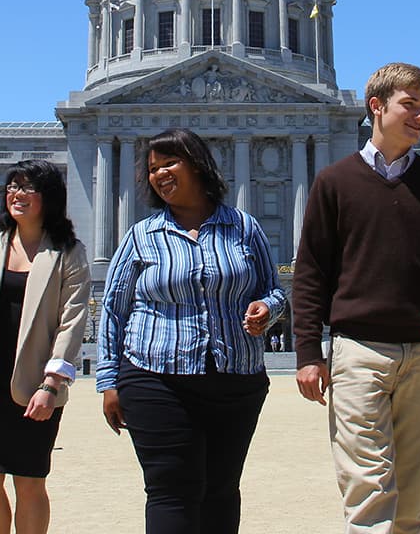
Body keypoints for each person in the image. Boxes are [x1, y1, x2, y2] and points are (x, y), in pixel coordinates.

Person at [292, 62, 420, 534]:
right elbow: (311, 272)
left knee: (413, 499)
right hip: (358, 350)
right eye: (409, 106)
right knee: (368, 491)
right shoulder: (334, 181)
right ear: (376, 107)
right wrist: (309, 354)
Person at [97, 128, 287, 534]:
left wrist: (265, 309)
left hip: (234, 378)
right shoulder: (141, 235)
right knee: (171, 489)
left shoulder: (244, 227)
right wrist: (109, 381)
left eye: (169, 163)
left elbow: (274, 290)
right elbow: (114, 309)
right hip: (155, 376)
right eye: (152, 169)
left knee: (221, 489)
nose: (159, 174)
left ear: (198, 164)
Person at [0, 160, 90, 534]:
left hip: (35, 385)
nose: (17, 195)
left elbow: (71, 321)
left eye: (27, 188)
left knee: (29, 481)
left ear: (48, 197)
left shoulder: (67, 252)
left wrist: (52, 384)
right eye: (12, 186)